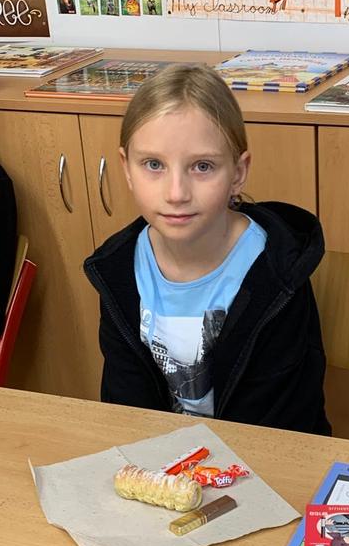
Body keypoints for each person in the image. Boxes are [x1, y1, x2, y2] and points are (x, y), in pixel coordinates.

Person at [84, 63, 331, 435]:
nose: (176, 193)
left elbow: (282, 430)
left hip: (264, 458)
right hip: (164, 461)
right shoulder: (117, 271)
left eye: (202, 166)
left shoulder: (277, 275)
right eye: (154, 164)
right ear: (127, 168)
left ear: (238, 172)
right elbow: (128, 414)